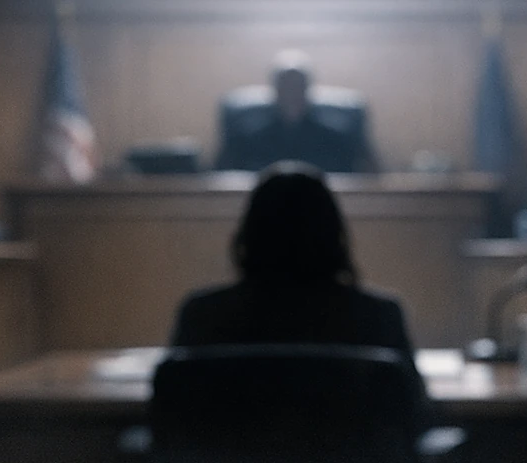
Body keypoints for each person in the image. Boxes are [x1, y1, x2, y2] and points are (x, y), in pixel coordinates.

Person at [170, 160, 413, 353]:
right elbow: (415, 409)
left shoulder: (202, 316)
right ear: (334, 235)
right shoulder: (379, 319)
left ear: (248, 236)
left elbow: (167, 410)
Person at [213, 50, 378, 174]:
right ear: (275, 90)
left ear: (308, 89)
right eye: (286, 86)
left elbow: (365, 174)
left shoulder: (337, 135)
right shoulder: (247, 135)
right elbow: (222, 174)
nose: (292, 93)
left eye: (298, 86)